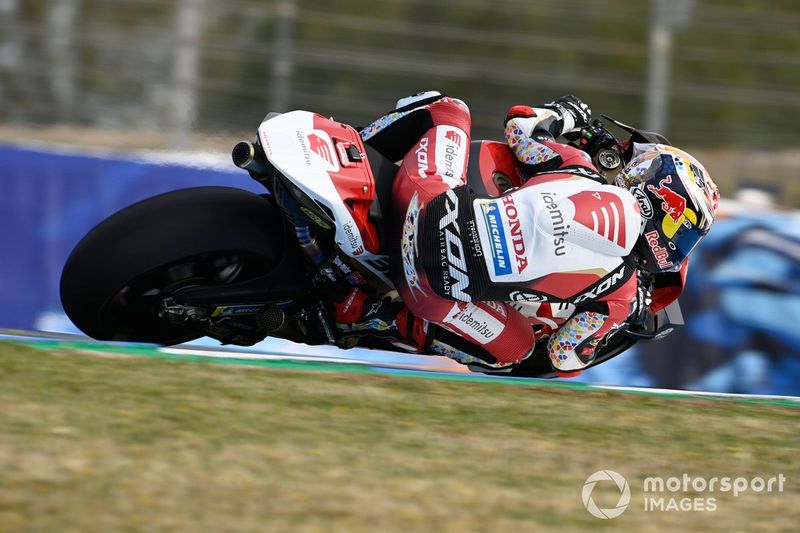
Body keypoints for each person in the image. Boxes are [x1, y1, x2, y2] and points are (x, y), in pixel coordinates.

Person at [330, 91, 719, 376]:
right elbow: (564, 356)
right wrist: (624, 320)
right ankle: (369, 316)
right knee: (515, 349)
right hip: (431, 290)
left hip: (423, 203)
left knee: (447, 109)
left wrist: (571, 117)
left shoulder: (578, 165)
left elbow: (520, 125)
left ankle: (349, 148)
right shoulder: (623, 294)